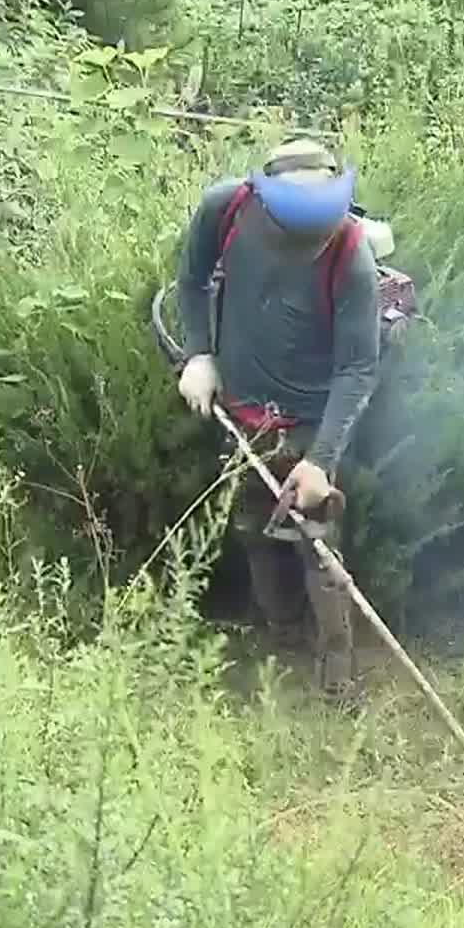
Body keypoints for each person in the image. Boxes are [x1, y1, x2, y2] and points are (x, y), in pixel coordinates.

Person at [172, 140, 382, 698]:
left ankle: (338, 671)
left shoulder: (351, 253)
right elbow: (189, 282)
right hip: (240, 409)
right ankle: (282, 636)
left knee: (317, 538)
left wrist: (321, 460)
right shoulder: (224, 211)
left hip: (314, 418)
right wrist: (199, 354)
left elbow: (359, 368)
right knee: (252, 526)